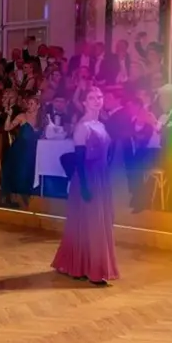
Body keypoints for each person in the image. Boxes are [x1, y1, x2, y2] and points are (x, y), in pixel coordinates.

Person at [51, 86, 119, 286]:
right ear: (84, 102)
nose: (97, 100)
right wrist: (84, 185)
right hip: (87, 178)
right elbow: (79, 160)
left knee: (96, 223)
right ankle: (90, 269)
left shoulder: (101, 124)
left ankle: (83, 266)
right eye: (92, 97)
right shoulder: (83, 126)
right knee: (89, 224)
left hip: (101, 177)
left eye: (99, 97)